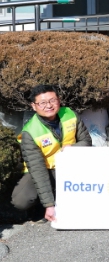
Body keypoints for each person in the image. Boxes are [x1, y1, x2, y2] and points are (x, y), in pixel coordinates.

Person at [11, 85, 92, 222]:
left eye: (52, 100)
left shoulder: (70, 114)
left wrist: (73, 148)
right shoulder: (29, 132)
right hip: (45, 169)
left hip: (72, 165)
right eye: (42, 103)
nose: (49, 106)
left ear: (58, 100)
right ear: (34, 106)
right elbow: (37, 169)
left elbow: (87, 141)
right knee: (21, 200)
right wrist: (49, 205)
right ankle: (41, 206)